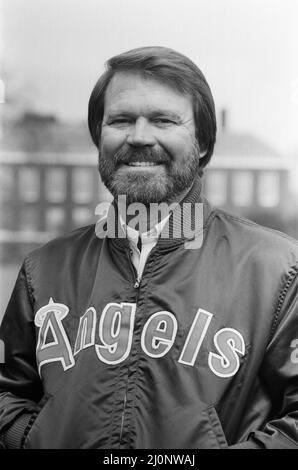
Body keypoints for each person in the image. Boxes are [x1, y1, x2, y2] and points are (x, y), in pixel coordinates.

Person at [0, 46, 298, 450]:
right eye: (121, 120)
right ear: (99, 138)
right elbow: (8, 392)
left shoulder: (277, 269)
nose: (139, 137)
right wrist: (29, 440)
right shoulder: (44, 268)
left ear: (203, 144)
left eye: (163, 120)